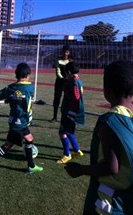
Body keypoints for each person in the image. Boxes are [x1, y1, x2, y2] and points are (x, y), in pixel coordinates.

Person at [65, 60, 133, 214]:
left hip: (107, 202)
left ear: (107, 91)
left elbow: (111, 167)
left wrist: (80, 170)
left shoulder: (108, 122)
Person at [0, 62, 43, 175]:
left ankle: (31, 166)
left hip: (17, 121)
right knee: (7, 146)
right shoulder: (29, 87)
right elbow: (23, 94)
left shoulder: (10, 88)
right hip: (19, 124)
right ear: (27, 75)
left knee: (29, 139)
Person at [56, 61, 85, 164]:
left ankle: (67, 154)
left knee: (62, 133)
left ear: (68, 72)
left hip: (70, 112)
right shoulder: (78, 81)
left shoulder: (73, 83)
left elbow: (76, 98)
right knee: (69, 132)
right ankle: (77, 151)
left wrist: (66, 88)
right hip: (72, 111)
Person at [50, 45, 74, 122]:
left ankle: (67, 117)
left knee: (69, 100)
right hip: (60, 82)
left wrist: (69, 79)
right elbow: (58, 72)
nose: (65, 53)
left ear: (69, 52)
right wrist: (63, 78)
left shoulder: (71, 61)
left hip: (69, 83)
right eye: (64, 51)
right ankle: (54, 117)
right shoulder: (58, 60)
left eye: (67, 52)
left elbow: (73, 71)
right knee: (57, 99)